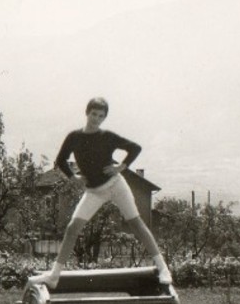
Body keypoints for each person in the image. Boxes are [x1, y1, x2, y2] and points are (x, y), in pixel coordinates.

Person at [35, 97, 172, 288]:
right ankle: (54, 276)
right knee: (72, 228)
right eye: (94, 114)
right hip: (94, 192)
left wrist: (121, 167)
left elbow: (135, 148)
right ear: (87, 113)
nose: (96, 119)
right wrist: (73, 177)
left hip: (116, 185)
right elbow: (60, 160)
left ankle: (164, 268)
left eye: (101, 116)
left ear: (104, 117)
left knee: (136, 223)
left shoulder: (107, 136)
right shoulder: (74, 137)